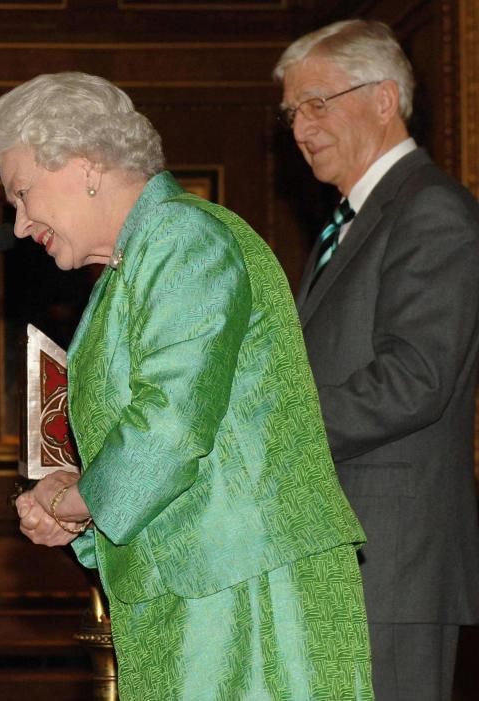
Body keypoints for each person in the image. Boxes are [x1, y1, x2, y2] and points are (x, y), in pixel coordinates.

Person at [0, 71, 374, 700]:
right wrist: (77, 498)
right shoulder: (133, 263)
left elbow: (172, 421)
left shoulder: (184, 237)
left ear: (86, 164)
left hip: (243, 596)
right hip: (198, 593)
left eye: (23, 195)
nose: (21, 225)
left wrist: (77, 502)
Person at [274, 19, 479, 701]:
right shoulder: (350, 222)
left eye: (317, 104)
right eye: (292, 112)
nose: (301, 129)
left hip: (391, 565)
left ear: (384, 99)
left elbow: (414, 379)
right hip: (343, 559)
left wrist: (271, 425)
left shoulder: (431, 211)